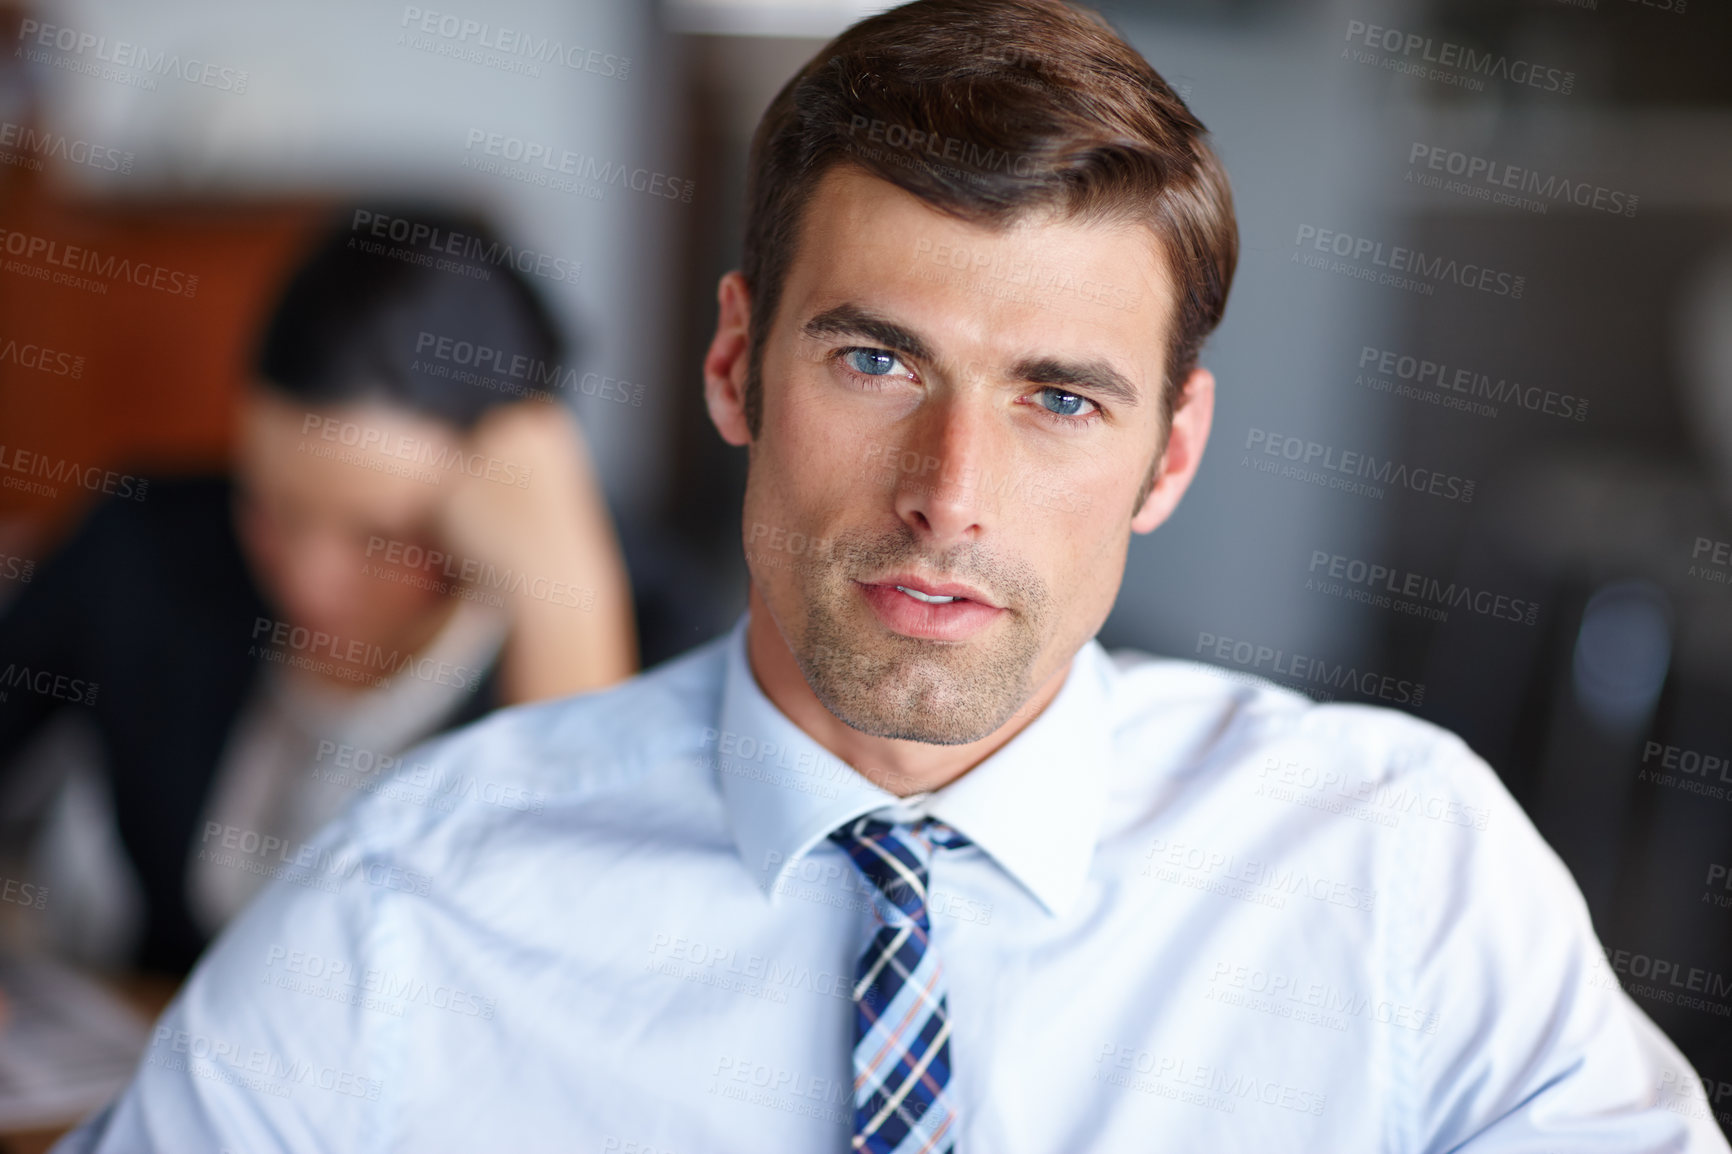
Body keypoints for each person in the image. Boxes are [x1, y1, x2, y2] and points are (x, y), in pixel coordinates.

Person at [57, 1, 1728, 1150]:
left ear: (1171, 450)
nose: (951, 495)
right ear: (734, 366)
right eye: (875, 362)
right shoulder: (402, 905)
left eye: (1059, 399)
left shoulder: (1398, 870)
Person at [0, 207, 636, 973]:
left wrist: (561, 604)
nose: (307, 579)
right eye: (272, 505)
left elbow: (582, 965)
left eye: (381, 537)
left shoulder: (647, 635)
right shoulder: (148, 542)